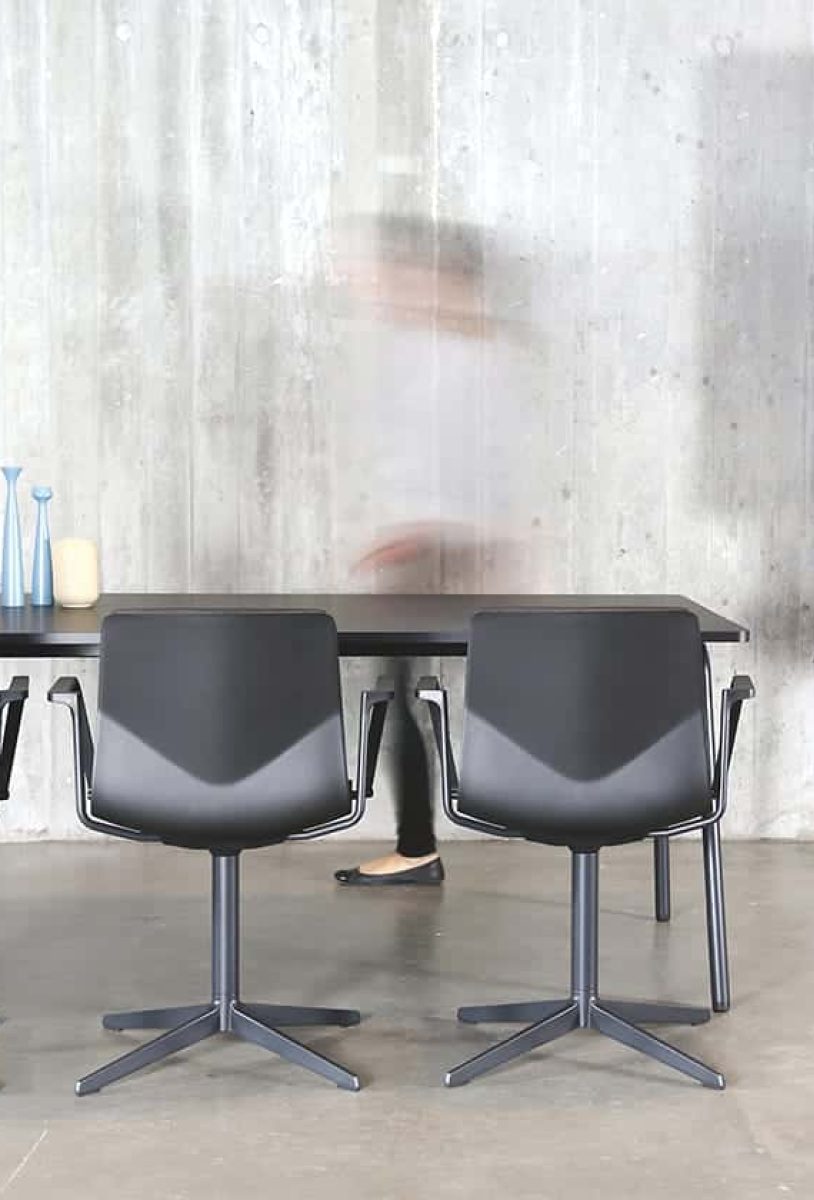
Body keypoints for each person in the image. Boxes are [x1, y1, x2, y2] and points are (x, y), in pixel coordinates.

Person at [332, 213, 524, 885]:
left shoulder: (456, 354)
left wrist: (419, 531)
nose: (398, 288)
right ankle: (418, 841)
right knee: (405, 688)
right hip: (440, 545)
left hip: (438, 550)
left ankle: (418, 844)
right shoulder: (462, 349)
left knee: (401, 690)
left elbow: (471, 465)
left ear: (453, 279)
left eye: (416, 274)